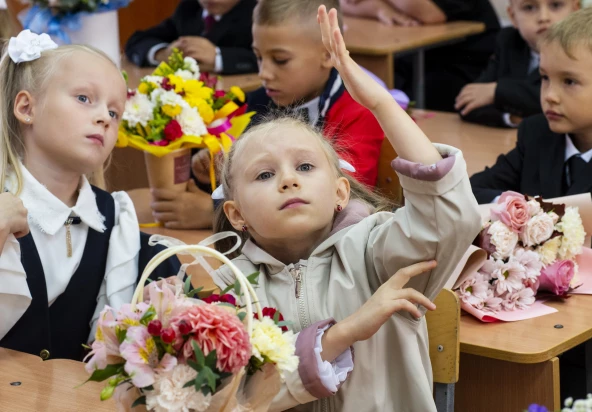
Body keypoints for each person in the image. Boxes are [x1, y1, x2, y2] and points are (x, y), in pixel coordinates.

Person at [209, 6, 481, 411]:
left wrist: (379, 102)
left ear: (341, 193)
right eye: (264, 175)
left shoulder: (377, 252)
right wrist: (342, 334)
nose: (288, 179)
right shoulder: (226, 286)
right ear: (236, 215)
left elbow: (449, 217)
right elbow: (231, 399)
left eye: (304, 166)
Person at [0, 30, 179, 361]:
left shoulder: (116, 221)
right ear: (27, 107)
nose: (104, 118)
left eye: (114, 112)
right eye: (84, 98)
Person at [470, 4, 592, 256]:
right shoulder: (537, 132)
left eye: (569, 81)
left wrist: (516, 216)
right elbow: (472, 192)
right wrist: (520, 209)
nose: (549, 96)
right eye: (545, 78)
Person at [245, 0, 385, 188]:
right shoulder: (257, 102)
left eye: (280, 60)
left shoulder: (359, 114)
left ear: (328, 54)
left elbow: (342, 190)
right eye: (259, 57)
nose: (264, 73)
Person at [456, 0, 579, 128]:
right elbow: (469, 102)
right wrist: (511, 118)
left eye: (555, 5)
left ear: (575, 10)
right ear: (513, 16)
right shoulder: (507, 42)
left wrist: (498, 92)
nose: (543, 17)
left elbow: (570, 101)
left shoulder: (584, 51)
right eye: (529, 8)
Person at [125, 0, 258, 74]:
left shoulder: (257, 14)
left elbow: (268, 60)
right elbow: (137, 40)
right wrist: (162, 53)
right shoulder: (189, 7)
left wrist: (218, 57)